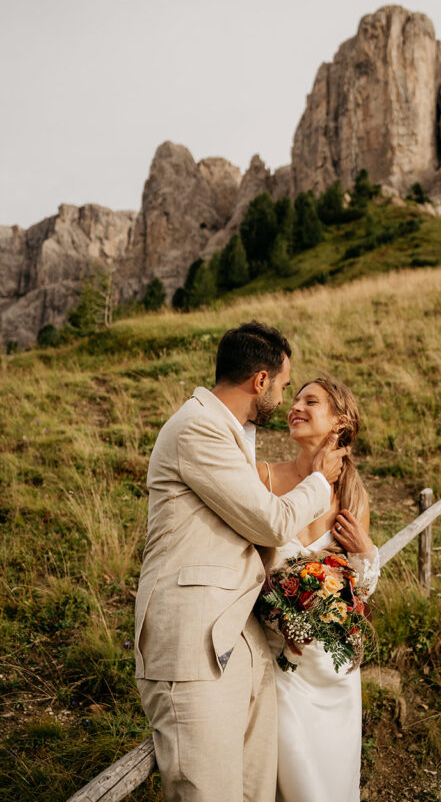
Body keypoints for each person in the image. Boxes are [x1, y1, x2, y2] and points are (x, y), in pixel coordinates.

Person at [134, 321, 345, 802]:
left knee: (254, 794)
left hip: (241, 642)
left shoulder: (233, 434)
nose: (286, 397)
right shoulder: (198, 428)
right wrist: (319, 480)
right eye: (285, 385)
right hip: (192, 645)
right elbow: (269, 522)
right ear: (261, 381)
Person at [256, 374, 380, 802]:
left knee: (331, 783)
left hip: (334, 668)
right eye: (295, 399)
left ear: (339, 422)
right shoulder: (263, 479)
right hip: (282, 664)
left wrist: (366, 552)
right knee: (295, 781)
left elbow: (359, 591)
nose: (295, 407)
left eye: (311, 401)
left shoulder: (352, 494)